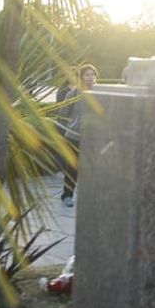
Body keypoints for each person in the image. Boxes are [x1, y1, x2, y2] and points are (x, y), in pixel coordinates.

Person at [57, 63, 97, 206]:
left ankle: (91, 197)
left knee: (93, 168)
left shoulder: (101, 93)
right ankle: (67, 195)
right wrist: (72, 125)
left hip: (94, 138)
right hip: (74, 136)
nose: (90, 77)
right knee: (73, 168)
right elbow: (62, 114)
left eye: (92, 74)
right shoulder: (74, 93)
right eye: (87, 75)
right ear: (81, 77)